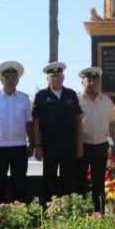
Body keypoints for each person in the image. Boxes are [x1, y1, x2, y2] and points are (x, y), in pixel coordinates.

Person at [0, 61, 34, 207]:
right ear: (1, 79)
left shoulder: (24, 98)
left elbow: (29, 123)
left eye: (14, 77)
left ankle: (19, 213)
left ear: (18, 79)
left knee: (19, 181)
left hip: (19, 146)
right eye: (8, 77)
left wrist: (32, 142)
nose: (11, 80)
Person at [31, 62, 83, 207]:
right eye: (52, 76)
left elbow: (79, 120)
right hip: (49, 145)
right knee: (49, 179)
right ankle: (46, 211)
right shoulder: (41, 96)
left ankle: (67, 211)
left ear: (63, 77)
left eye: (58, 76)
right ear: (48, 79)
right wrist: (38, 145)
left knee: (69, 179)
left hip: (69, 145)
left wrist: (79, 146)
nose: (56, 79)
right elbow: (36, 122)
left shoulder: (71, 94)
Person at [76, 67, 115, 213]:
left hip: (101, 145)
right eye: (90, 80)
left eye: (96, 80)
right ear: (83, 81)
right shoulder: (76, 99)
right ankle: (80, 213)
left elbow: (112, 125)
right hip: (82, 146)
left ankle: (99, 212)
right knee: (80, 181)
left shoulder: (106, 101)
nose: (93, 83)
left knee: (99, 182)